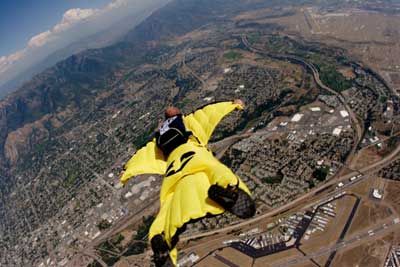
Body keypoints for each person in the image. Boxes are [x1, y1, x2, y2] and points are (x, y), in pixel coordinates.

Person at [120, 100, 255, 266]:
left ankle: (161, 239)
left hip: (173, 170)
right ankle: (232, 193)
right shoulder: (189, 121)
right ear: (178, 115)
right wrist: (233, 104)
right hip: (193, 154)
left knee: (168, 204)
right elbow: (210, 113)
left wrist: (126, 173)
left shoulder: (155, 143)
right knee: (215, 171)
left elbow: (140, 159)